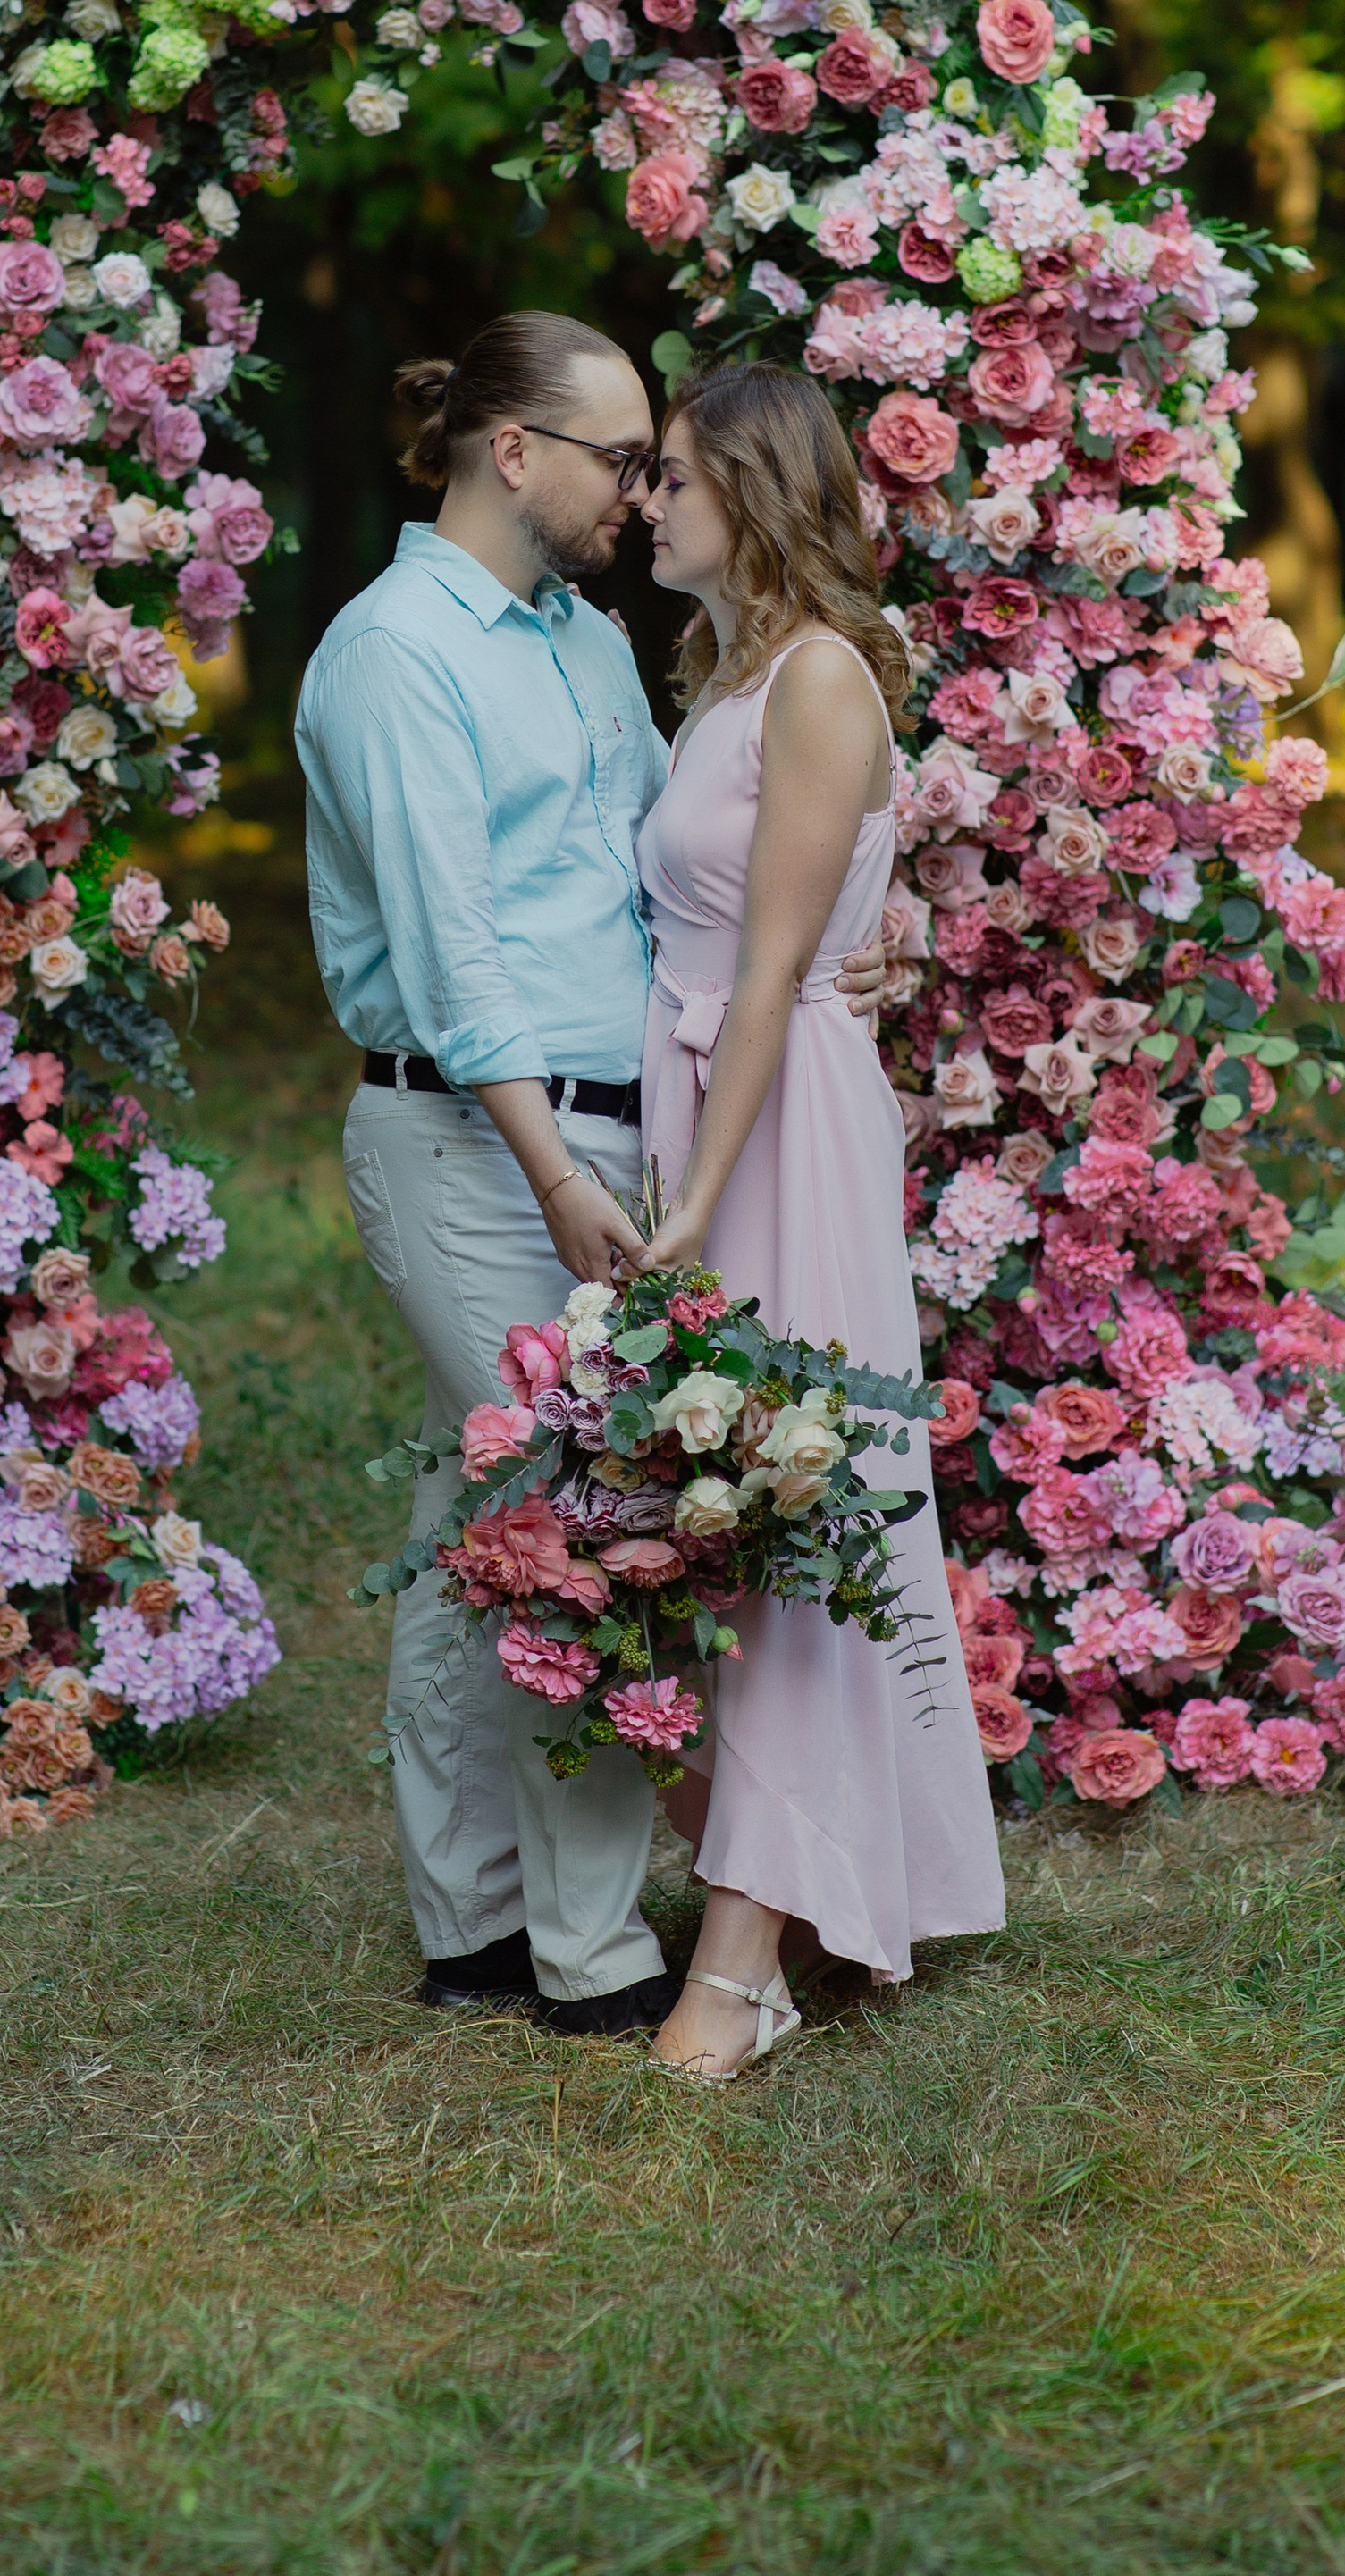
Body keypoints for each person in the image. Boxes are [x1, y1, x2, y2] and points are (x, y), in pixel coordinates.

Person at [295, 313, 887, 2037]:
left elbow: (667, 885)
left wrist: (838, 949)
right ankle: (594, 1950)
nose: (642, 492)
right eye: (622, 459)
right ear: (513, 454)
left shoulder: (587, 642)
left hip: (614, 1126)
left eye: (656, 466)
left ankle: (473, 1917)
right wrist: (559, 1171)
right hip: (479, 1137)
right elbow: (452, 948)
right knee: (582, 1516)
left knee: (471, 1507)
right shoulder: (393, 651)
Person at [634, 360, 1006, 2081]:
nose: (647, 501)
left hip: (774, 1126)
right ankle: (783, 1877)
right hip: (710, 1094)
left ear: (757, 492)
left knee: (791, 1510)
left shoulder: (823, 681)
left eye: (674, 476)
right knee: (728, 1502)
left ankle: (743, 1956)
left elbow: (778, 963)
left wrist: (701, 1188)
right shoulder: (727, 681)